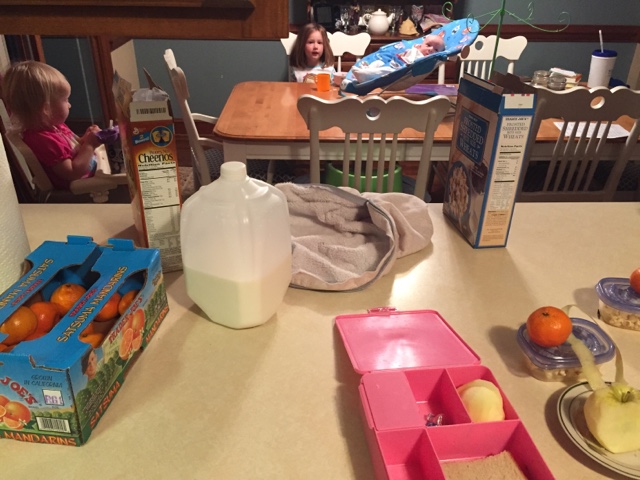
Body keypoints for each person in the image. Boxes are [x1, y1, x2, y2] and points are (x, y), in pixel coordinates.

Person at [1, 61, 100, 190]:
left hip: (93, 175)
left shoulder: (56, 127)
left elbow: (72, 151)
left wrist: (85, 139)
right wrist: (89, 145)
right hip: (80, 191)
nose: (69, 105)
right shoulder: (43, 141)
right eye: (65, 99)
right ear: (45, 108)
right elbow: (72, 173)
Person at [348, 33, 446, 84]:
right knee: (378, 63)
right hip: (393, 61)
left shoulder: (425, 60)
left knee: (385, 71)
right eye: (428, 45)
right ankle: (365, 70)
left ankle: (366, 76)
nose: (431, 50)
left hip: (398, 70)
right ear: (422, 44)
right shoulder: (416, 48)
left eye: (436, 50)